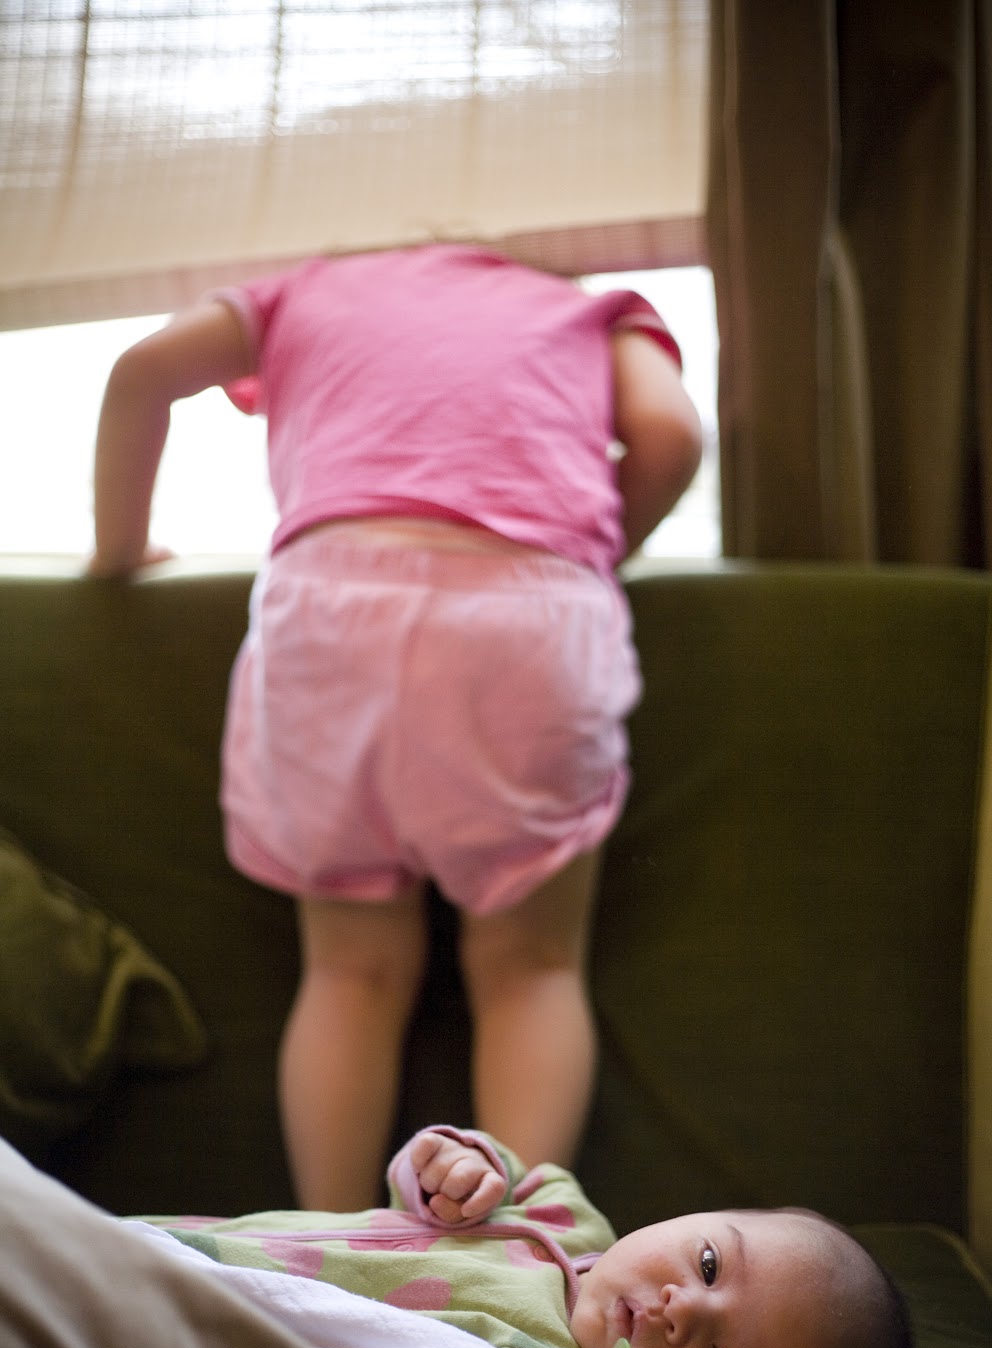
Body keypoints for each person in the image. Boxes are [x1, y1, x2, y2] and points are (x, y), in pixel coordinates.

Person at [91, 244, 704, 1210]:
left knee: (350, 971)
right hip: (525, 619)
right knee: (530, 970)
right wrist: (592, 545)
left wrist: (118, 551)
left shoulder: (301, 287)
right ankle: (510, 1240)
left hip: (333, 615)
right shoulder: (593, 310)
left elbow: (141, 370)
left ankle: (331, 1247)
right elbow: (670, 432)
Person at [151, 1125, 916, 1348]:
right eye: (709, 1264)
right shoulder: (559, 1211)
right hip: (188, 1247)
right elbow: (421, 1178)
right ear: (695, 1213)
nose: (683, 1311)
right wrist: (451, 1166)